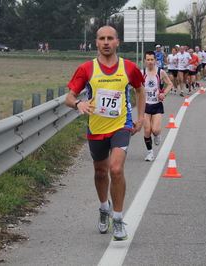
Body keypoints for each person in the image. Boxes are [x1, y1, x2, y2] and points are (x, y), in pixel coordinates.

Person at [65, 26, 145, 241]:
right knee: (101, 173)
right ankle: (104, 208)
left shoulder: (128, 67)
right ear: (96, 43)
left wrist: (141, 117)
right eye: (102, 39)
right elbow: (69, 98)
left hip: (122, 124)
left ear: (117, 42)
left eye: (110, 38)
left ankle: (118, 220)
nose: (106, 42)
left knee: (116, 169)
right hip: (96, 128)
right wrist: (79, 104)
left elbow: (139, 89)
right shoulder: (86, 69)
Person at [142, 50, 172, 161]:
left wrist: (164, 94)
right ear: (145, 61)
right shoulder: (142, 73)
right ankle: (150, 152)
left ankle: (157, 134)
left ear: (155, 60)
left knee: (155, 130)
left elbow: (170, 84)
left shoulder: (160, 72)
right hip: (145, 105)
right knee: (147, 130)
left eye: (152, 60)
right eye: (148, 60)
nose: (150, 62)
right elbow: (138, 88)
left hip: (157, 105)